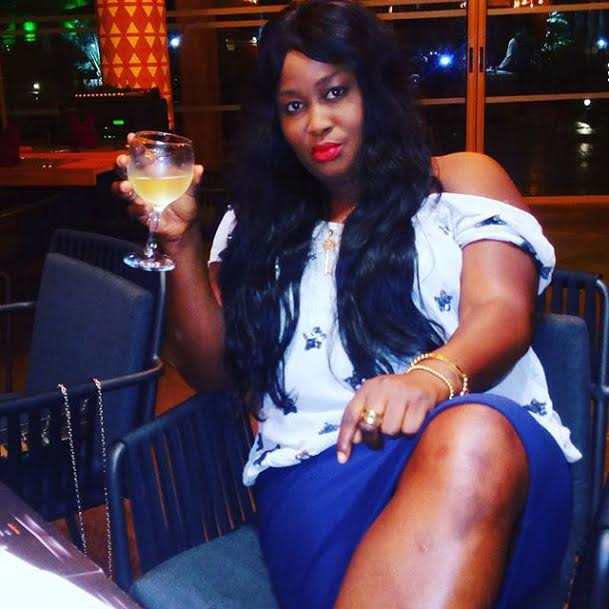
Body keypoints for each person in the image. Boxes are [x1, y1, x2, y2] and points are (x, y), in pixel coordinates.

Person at [113, 1, 579, 607]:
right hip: (319, 474)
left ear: (377, 92)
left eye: (336, 93)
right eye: (294, 106)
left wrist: (429, 379)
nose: (317, 123)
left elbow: (503, 311)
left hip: (491, 474)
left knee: (472, 432)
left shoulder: (462, 182)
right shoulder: (255, 223)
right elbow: (213, 371)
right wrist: (180, 243)